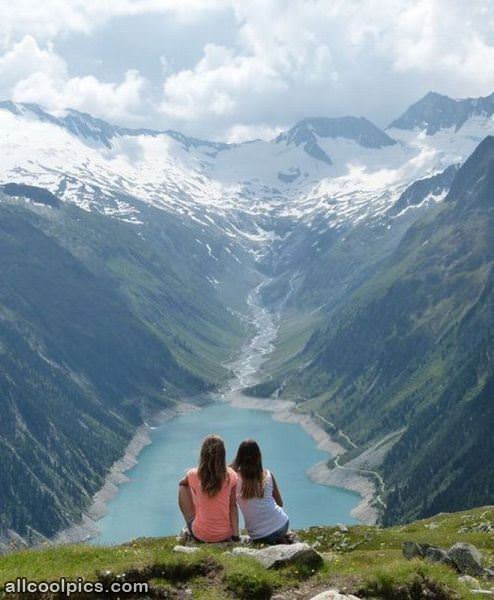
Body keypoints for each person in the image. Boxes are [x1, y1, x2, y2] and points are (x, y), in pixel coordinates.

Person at [178, 434, 239, 543]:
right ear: (223, 455)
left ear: (203, 454)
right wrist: (235, 536)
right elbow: (233, 506)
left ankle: (193, 524)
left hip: (201, 535)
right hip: (225, 535)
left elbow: (182, 483)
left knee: (183, 487)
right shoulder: (231, 476)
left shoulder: (193, 474)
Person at [231, 439, 290, 544]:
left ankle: (278, 540)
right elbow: (280, 503)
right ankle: (282, 538)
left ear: (239, 457)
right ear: (258, 456)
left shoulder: (234, 478)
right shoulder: (268, 474)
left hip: (259, 536)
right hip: (282, 524)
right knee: (277, 535)